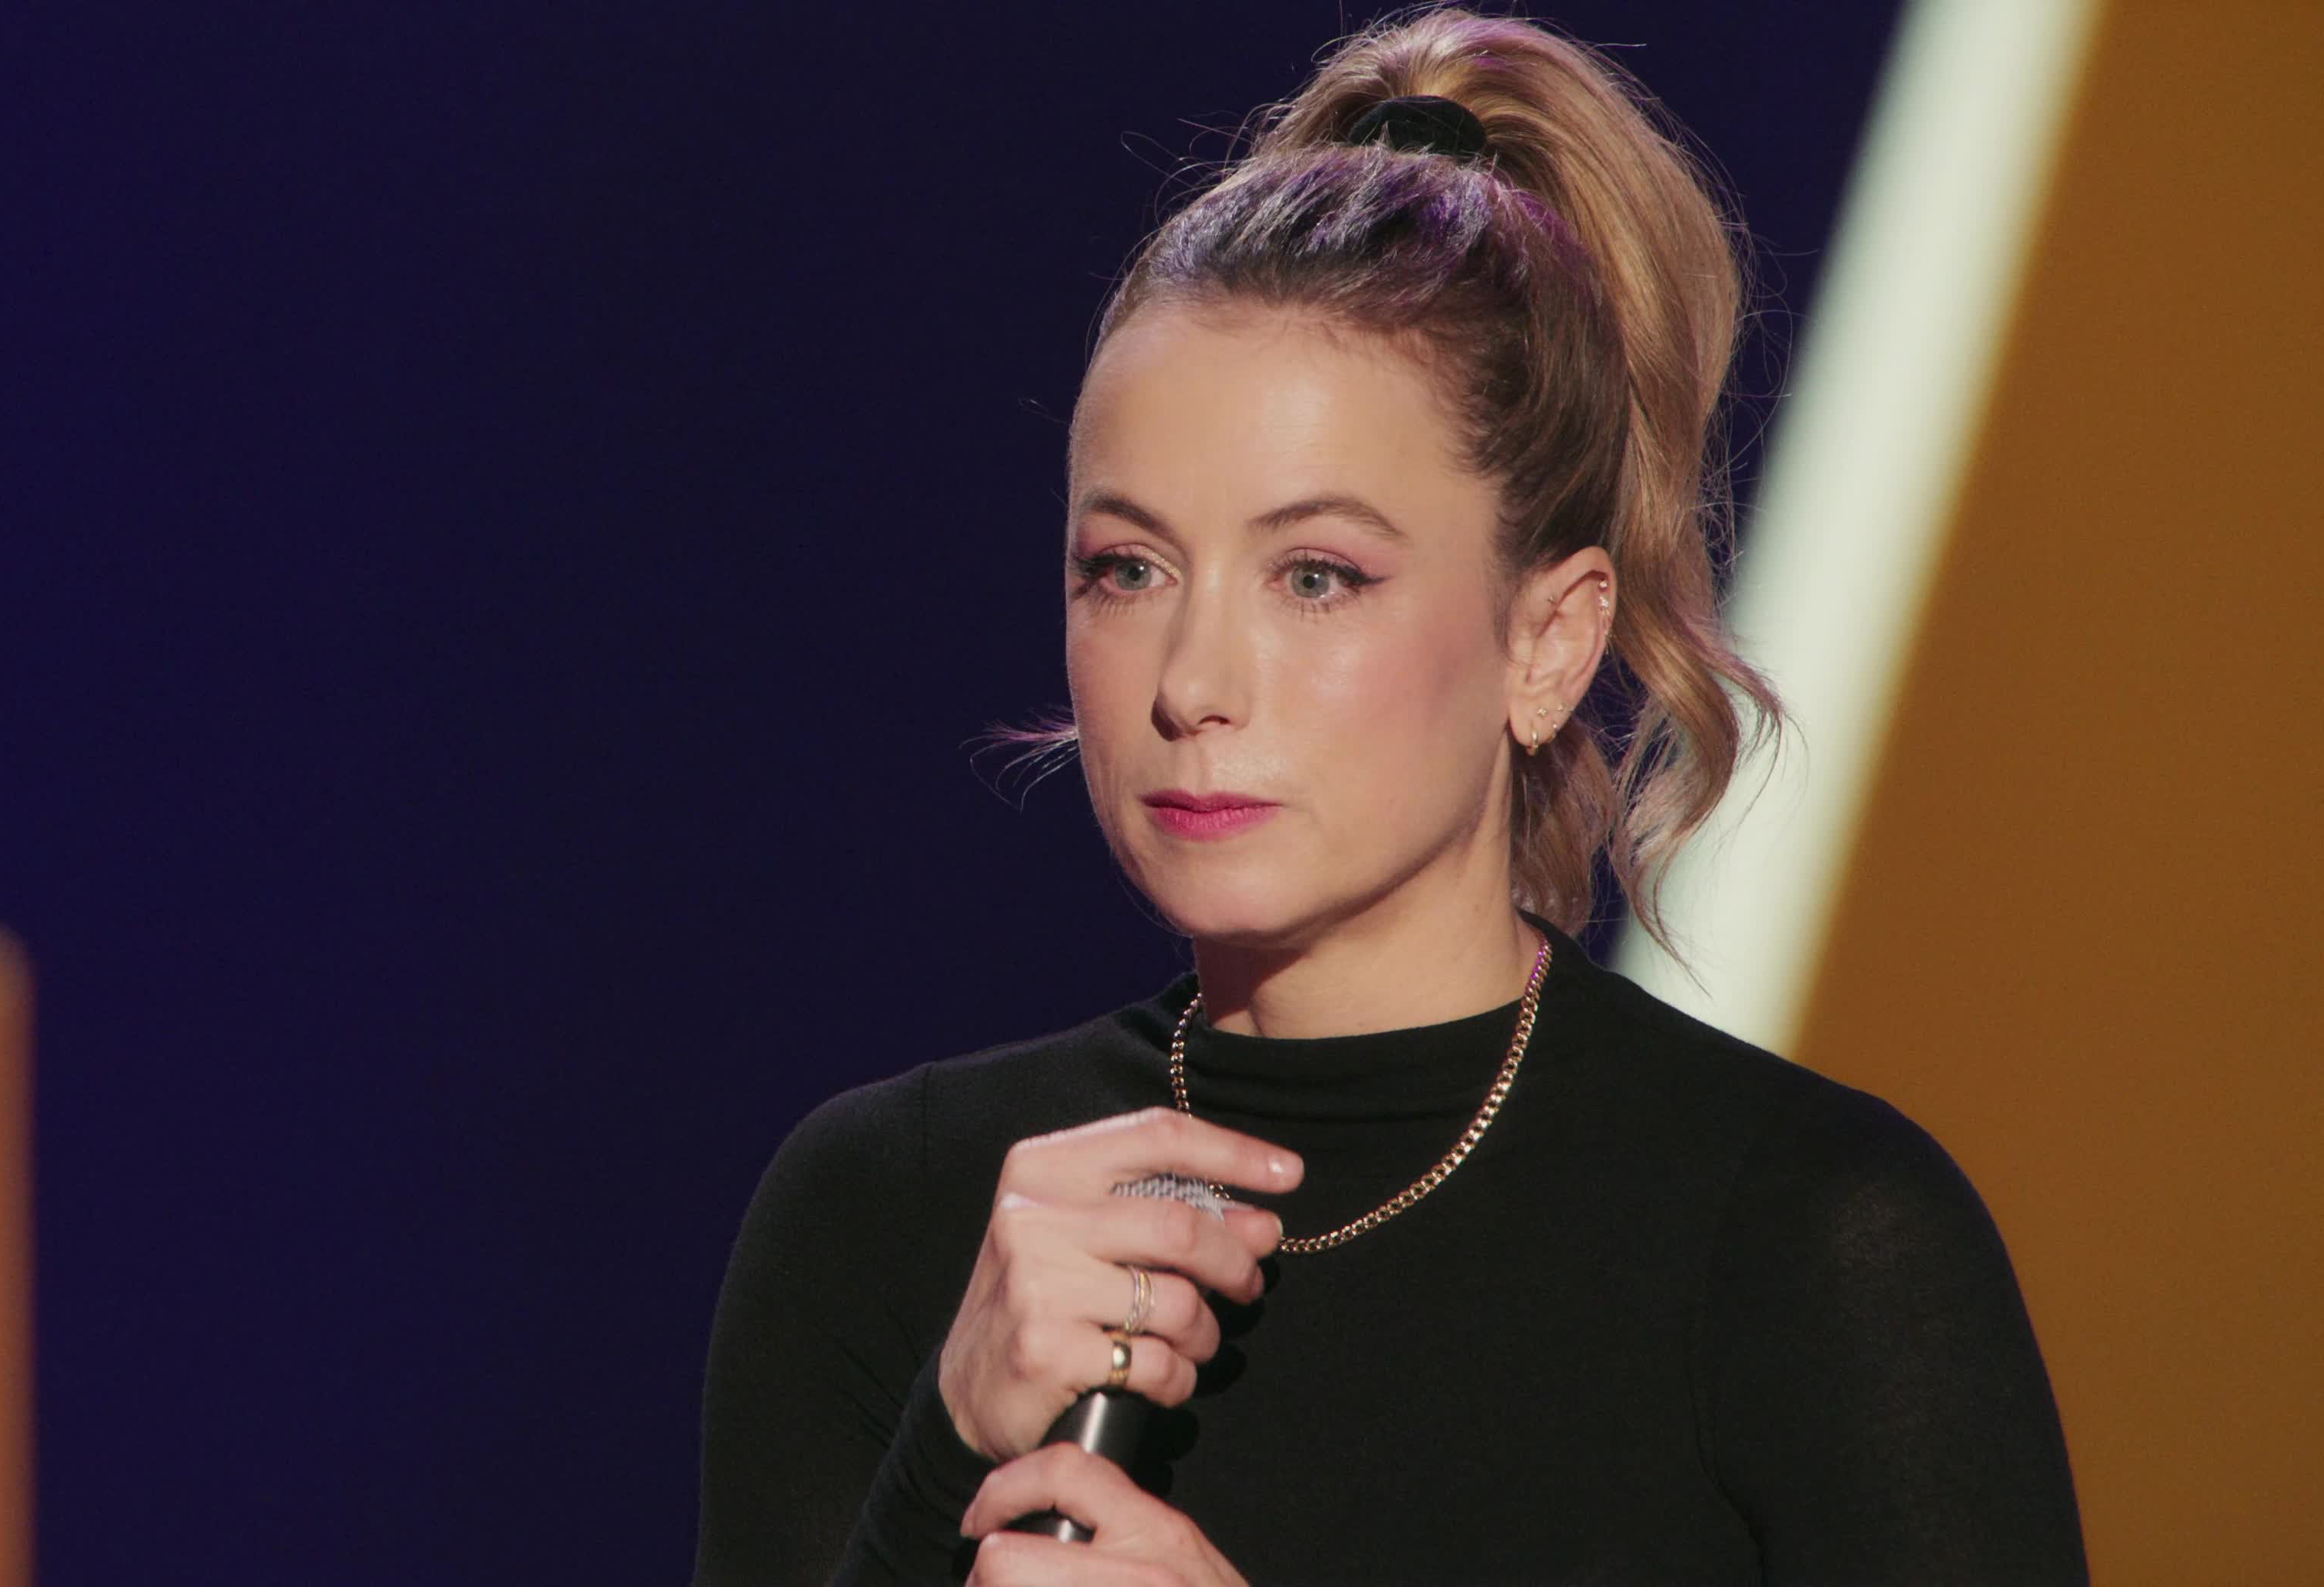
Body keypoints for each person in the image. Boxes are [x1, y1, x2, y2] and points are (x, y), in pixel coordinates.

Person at [694, 9, 2086, 1584]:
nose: (1191, 681)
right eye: (1128, 568)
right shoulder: (895, 1212)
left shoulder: (1808, 1241)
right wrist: (944, 1448)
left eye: (1317, 576)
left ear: (1548, 642)